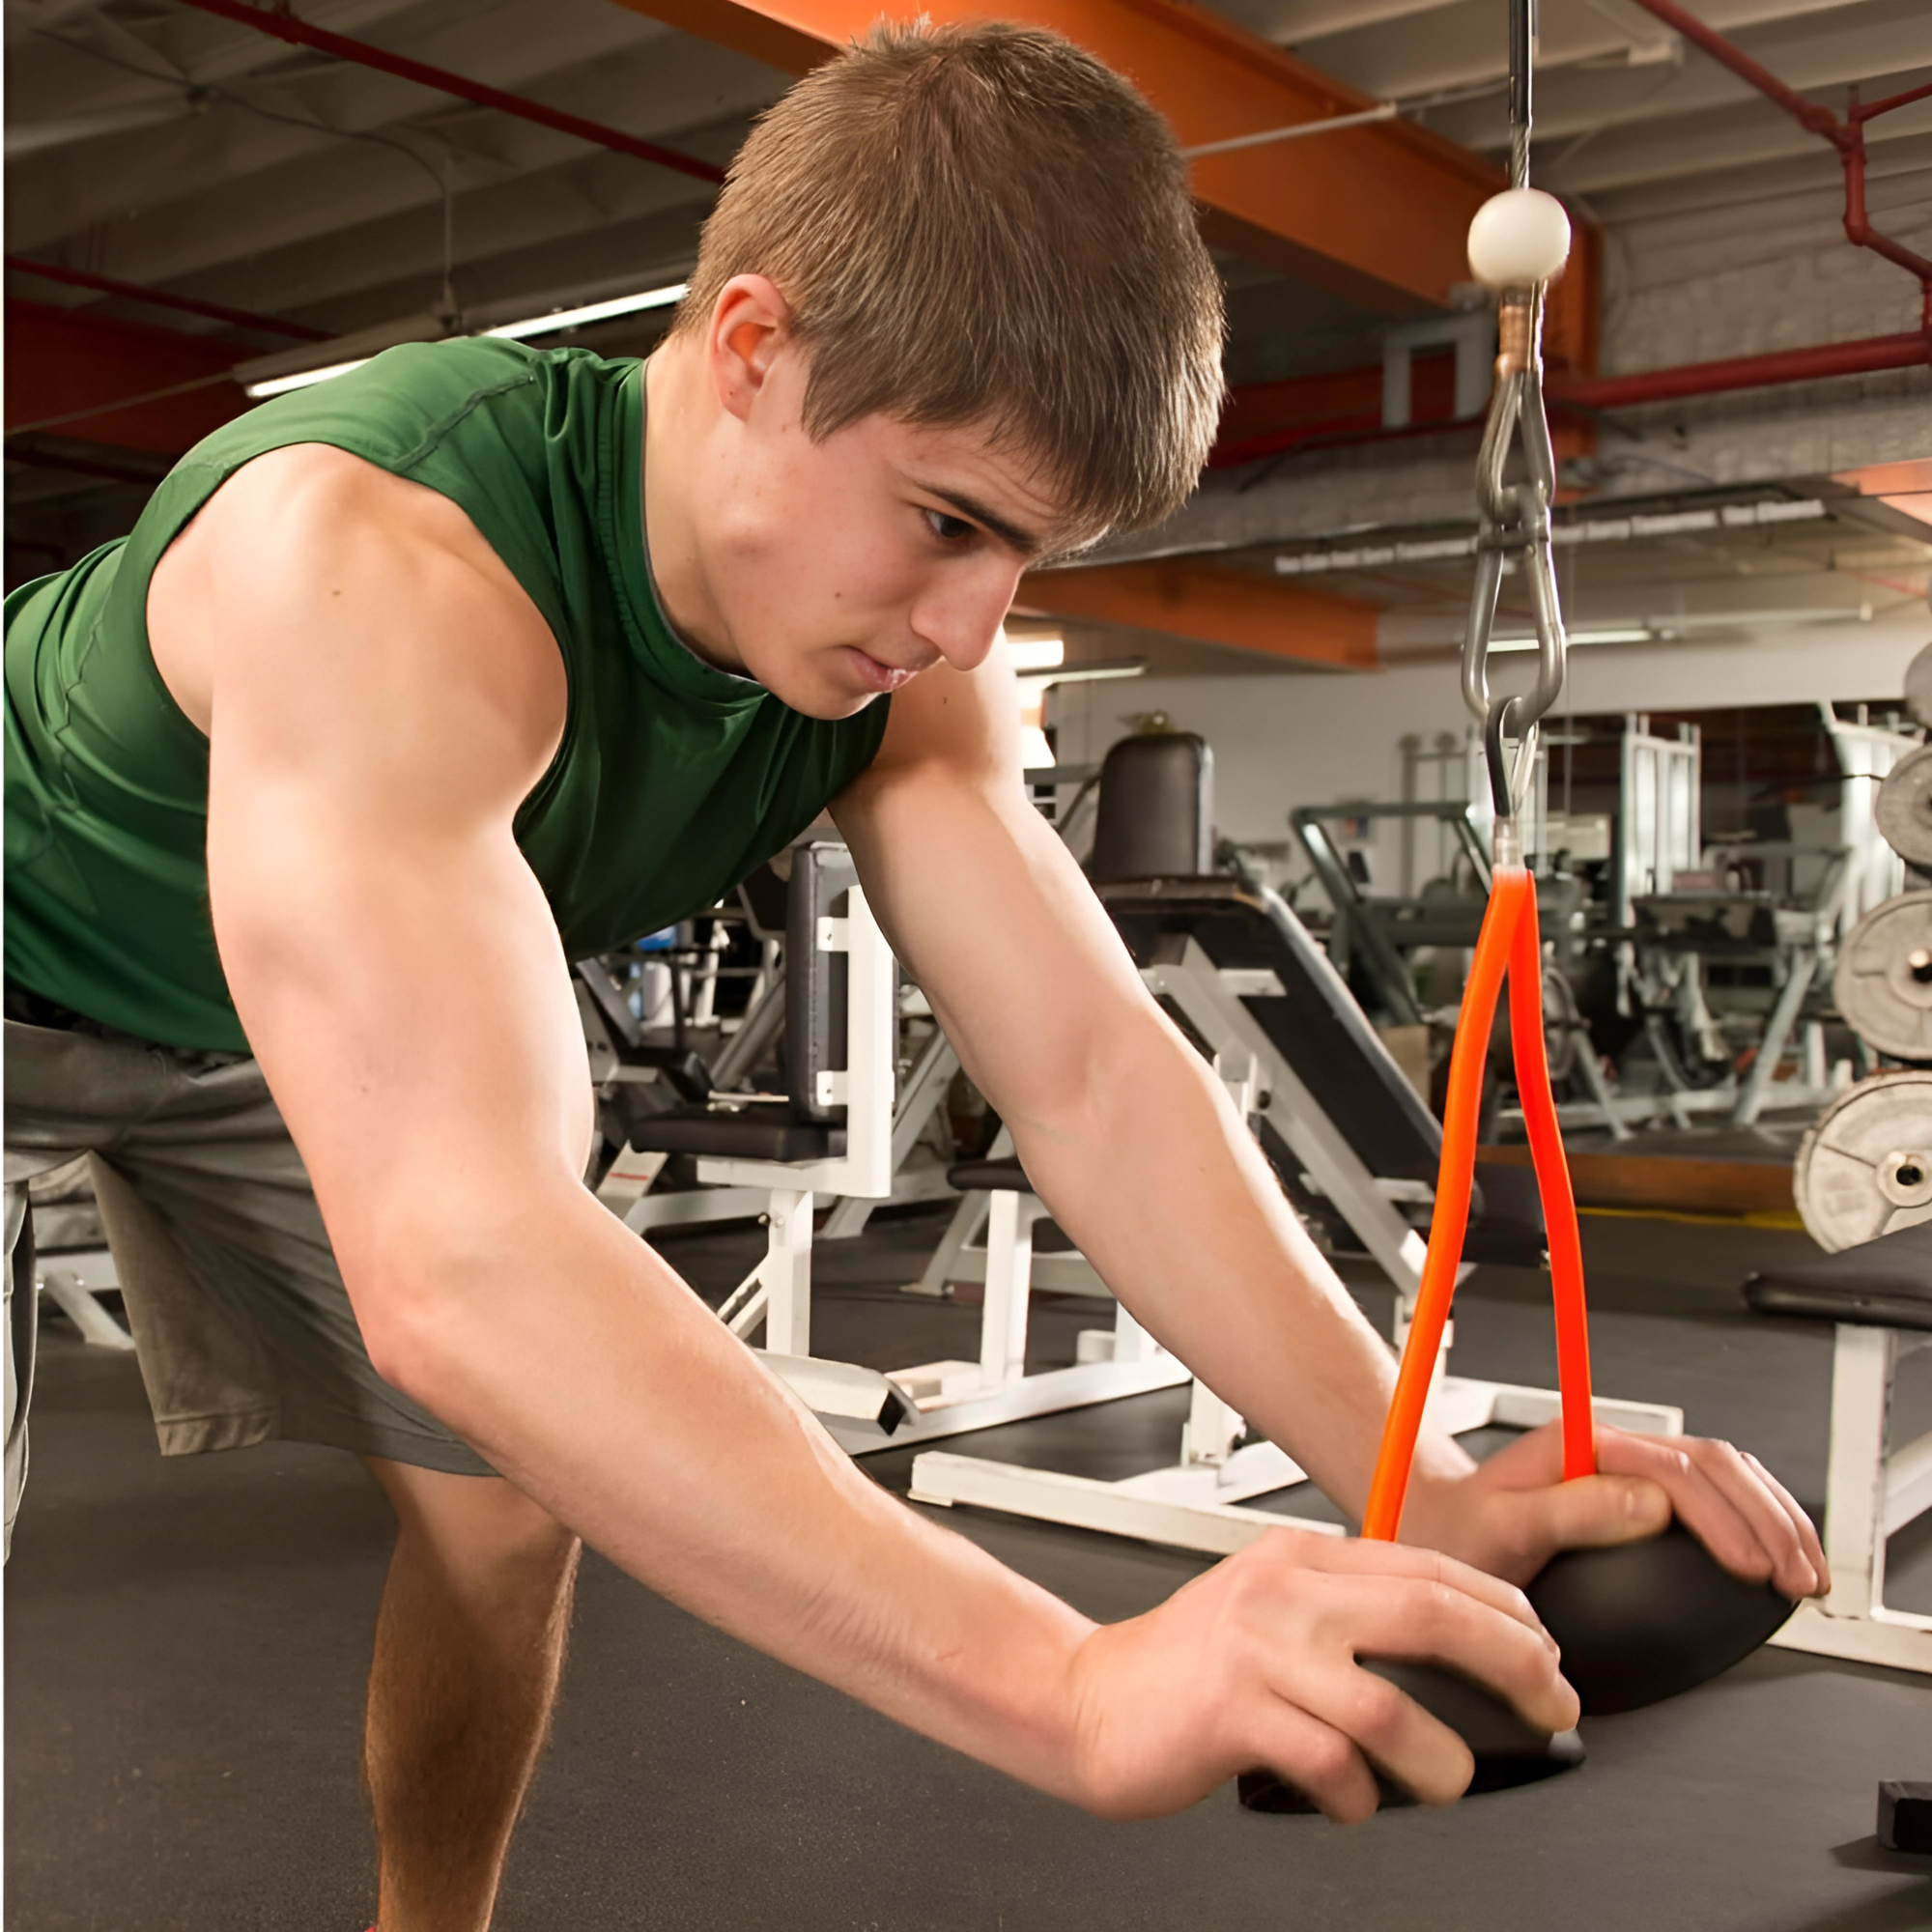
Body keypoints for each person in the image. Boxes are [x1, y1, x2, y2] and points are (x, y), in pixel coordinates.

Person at [3, 23, 1824, 1931]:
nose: (972, 624)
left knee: (518, 1497)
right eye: (947, 521)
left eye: (1024, 557)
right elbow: (457, 1267)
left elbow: (1093, 1074)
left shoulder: (908, 664)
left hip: (233, 1012)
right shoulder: (384, 561)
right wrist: (1065, 1678)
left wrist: (1414, 1473)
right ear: (748, 351)